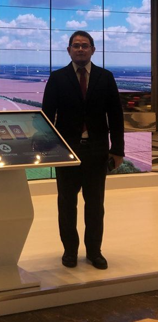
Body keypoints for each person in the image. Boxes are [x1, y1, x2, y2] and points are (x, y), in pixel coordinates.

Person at [42, 30, 124, 270]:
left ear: (93, 50)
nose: (80, 49)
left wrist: (117, 150)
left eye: (84, 45)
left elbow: (115, 116)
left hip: (97, 152)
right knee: (67, 205)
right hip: (67, 152)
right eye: (76, 45)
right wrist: (50, 149)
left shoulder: (105, 77)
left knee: (95, 206)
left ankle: (94, 252)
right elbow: (46, 117)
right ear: (69, 50)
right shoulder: (57, 78)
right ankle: (70, 251)